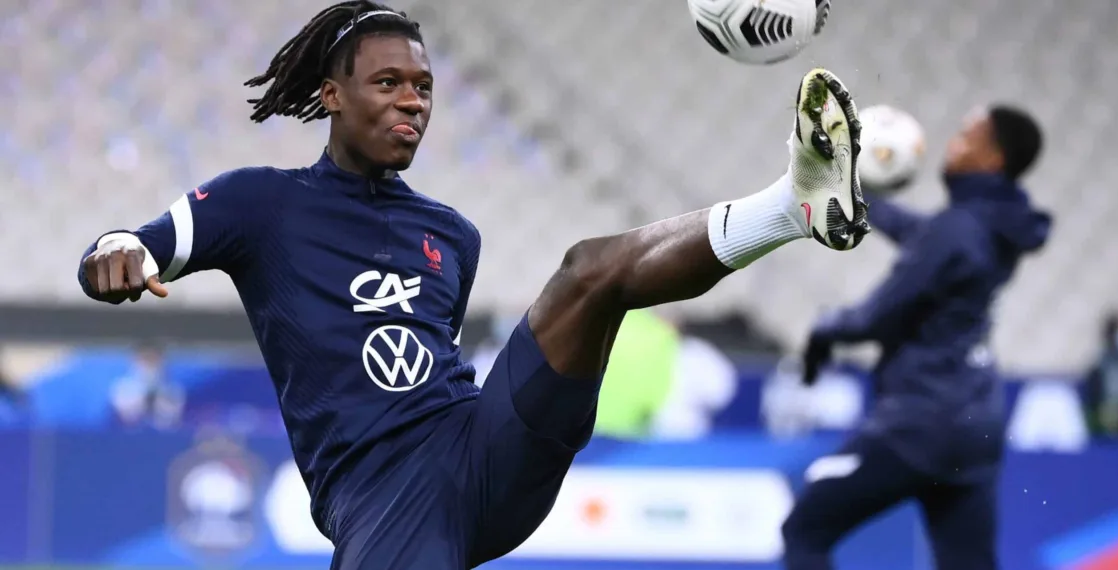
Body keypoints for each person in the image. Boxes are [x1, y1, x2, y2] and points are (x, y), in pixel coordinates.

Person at [76, 3, 868, 568]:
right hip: (379, 486)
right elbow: (135, 244)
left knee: (590, 273)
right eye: (388, 84)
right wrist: (116, 252)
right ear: (331, 95)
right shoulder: (261, 202)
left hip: (483, 440)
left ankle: (794, 206)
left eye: (422, 87)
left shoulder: (453, 236)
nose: (412, 102)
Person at [780, 104, 1052, 570]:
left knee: (806, 530)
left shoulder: (958, 228)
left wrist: (823, 329)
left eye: (968, 137)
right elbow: (924, 235)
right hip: (975, 427)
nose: (952, 144)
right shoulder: (995, 224)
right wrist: (854, 191)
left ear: (992, 159)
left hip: (919, 424)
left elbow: (876, 317)